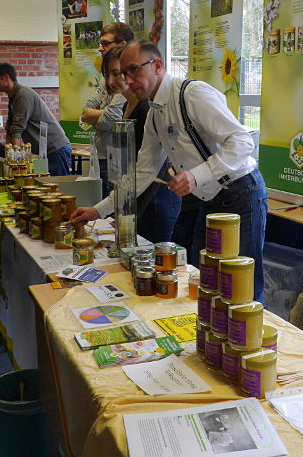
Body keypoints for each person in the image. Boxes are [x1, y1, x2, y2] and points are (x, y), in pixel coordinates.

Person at [71, 40, 267, 301]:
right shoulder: (155, 113)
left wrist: (196, 176)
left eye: (134, 70)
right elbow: (141, 173)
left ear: (158, 66)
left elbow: (242, 141)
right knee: (203, 278)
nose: (128, 80)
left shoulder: (191, 94)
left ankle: (253, 339)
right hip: (208, 201)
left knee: (244, 286)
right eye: (123, 74)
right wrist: (99, 210)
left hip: (241, 194)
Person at [101, 46, 181, 242]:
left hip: (154, 202)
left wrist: (128, 213)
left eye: (117, 74)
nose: (112, 82)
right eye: (107, 75)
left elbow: (151, 170)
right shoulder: (130, 106)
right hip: (136, 198)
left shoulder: (147, 108)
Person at [0, 62, 72, 175]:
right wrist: (9, 157)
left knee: (60, 188)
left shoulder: (22, 95)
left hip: (55, 149)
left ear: (5, 78)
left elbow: (17, 130)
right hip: (47, 151)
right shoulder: (13, 96)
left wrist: (14, 163)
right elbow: (10, 128)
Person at [80, 22, 134, 195]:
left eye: (105, 43)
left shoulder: (128, 78)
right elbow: (85, 112)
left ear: (122, 44)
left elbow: (108, 122)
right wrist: (103, 113)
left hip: (120, 161)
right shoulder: (108, 80)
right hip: (103, 157)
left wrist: (100, 115)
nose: (100, 48)